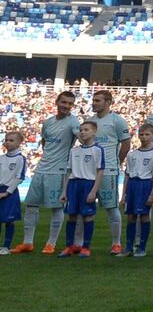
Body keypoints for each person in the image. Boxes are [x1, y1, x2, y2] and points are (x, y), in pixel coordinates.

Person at [22, 87, 79, 254]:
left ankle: (51, 243)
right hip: (41, 169)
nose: (66, 106)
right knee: (31, 205)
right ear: (57, 102)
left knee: (56, 207)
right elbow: (45, 142)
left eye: (70, 104)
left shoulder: (73, 121)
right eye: (63, 102)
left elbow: (81, 136)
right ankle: (27, 242)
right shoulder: (48, 122)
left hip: (59, 170)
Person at [89, 88, 130, 255]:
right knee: (84, 208)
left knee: (111, 207)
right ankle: (80, 244)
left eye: (98, 100)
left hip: (109, 171)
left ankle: (116, 243)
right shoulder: (90, 121)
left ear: (108, 102)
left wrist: (116, 162)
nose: (94, 103)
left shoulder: (117, 121)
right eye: (94, 100)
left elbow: (126, 144)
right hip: (89, 172)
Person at [60, 119, 104, 256]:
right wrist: (64, 191)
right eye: (81, 130)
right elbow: (68, 172)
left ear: (94, 132)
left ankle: (86, 247)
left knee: (87, 216)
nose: (83, 132)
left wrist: (93, 191)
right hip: (73, 185)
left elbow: (100, 171)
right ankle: (69, 246)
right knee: (71, 216)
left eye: (86, 130)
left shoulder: (97, 150)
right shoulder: (74, 151)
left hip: (88, 185)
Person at [121, 123, 153, 258]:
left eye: (147, 134)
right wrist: (124, 194)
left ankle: (142, 247)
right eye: (141, 134)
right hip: (132, 185)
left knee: (144, 216)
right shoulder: (132, 154)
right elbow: (127, 174)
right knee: (131, 216)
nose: (143, 137)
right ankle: (129, 247)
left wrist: (152, 194)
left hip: (145, 186)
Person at [0, 127, 25, 254]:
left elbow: (19, 177)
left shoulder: (20, 159)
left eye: (11, 140)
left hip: (9, 192)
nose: (7, 142)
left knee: (9, 220)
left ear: (18, 143)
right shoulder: (1, 158)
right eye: (6, 140)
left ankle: (6, 246)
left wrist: (7, 192)